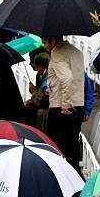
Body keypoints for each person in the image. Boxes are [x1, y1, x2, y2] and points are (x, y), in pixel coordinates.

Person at [42, 35, 85, 168]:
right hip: (78, 104)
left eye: (45, 42)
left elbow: (67, 78)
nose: (44, 46)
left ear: (53, 40)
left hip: (61, 108)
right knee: (72, 145)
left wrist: (65, 104)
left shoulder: (57, 53)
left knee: (58, 148)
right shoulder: (76, 51)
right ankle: (75, 180)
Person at [24, 50, 50, 131]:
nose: (30, 64)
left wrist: (33, 92)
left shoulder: (47, 78)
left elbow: (42, 101)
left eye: (32, 61)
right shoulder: (39, 75)